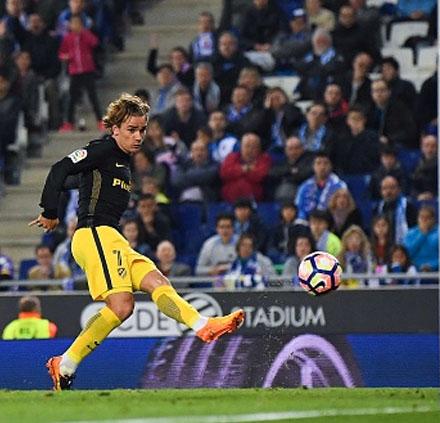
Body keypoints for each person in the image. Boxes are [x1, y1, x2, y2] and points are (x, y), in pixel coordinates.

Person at [30, 93, 244, 391]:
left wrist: (72, 186)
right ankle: (64, 363)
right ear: (114, 128)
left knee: (157, 281)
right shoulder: (102, 149)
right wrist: (50, 211)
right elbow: (59, 169)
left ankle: (203, 326)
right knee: (121, 305)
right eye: (132, 129)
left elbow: (74, 180)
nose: (139, 136)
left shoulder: (120, 163)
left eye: (142, 129)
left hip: (112, 237)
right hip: (94, 234)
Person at [57, 15, 103, 133]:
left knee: (93, 96)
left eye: (78, 24)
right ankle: (69, 122)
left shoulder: (86, 35)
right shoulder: (67, 38)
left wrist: (85, 33)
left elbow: (95, 43)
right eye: (73, 24)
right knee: (72, 98)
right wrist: (67, 57)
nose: (76, 26)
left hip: (87, 69)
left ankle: (100, 120)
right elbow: (61, 53)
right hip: (74, 71)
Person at [295, 152, 347, 221]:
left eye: (326, 163)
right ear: (313, 166)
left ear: (331, 166)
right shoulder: (304, 186)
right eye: (318, 163)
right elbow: (299, 208)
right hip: (308, 225)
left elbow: (342, 210)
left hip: (332, 225)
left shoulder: (340, 186)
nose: (322, 167)